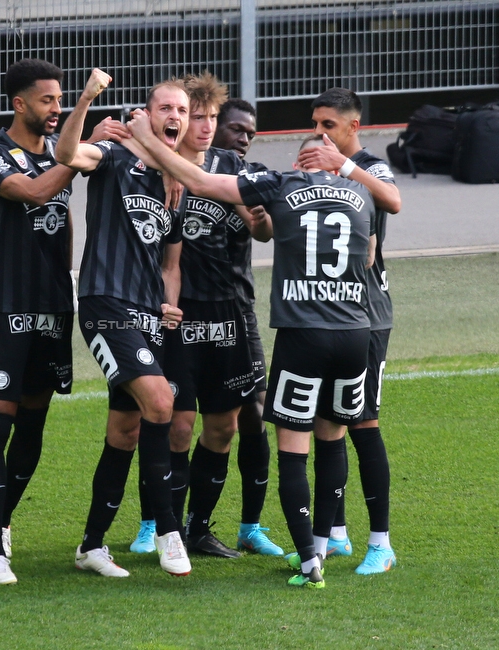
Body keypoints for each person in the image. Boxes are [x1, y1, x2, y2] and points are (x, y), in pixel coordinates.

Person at [128, 114, 376, 589]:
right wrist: (348, 169)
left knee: (291, 448)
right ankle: (333, 542)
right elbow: (372, 244)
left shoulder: (280, 183)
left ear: (301, 159)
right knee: (333, 438)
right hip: (355, 332)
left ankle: (307, 562)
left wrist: (142, 136)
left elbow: (202, 181)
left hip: (301, 333)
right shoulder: (362, 192)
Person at [54, 68, 193, 578]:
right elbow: (68, 155)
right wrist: (87, 101)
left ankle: (92, 546)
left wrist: (168, 304)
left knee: (125, 430)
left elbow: (170, 267)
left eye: (182, 110)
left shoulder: (176, 182)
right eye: (166, 108)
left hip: (146, 316)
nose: (174, 116)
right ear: (146, 116)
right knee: (161, 402)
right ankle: (168, 532)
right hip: (105, 306)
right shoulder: (114, 157)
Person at [0, 59, 77, 585]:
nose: (56, 109)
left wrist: (68, 278)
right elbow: (34, 193)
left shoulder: (60, 152)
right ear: (20, 103)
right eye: (48, 100)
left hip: (54, 307)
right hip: (8, 305)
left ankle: (2, 521)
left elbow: (64, 220)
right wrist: (76, 160)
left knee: (33, 424)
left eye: (61, 101)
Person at [302, 88, 402, 576]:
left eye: (329, 125)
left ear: (353, 126)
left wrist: (341, 166)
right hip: (325, 317)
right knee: (326, 424)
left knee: (363, 425)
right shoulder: (315, 166)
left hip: (368, 319)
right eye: (315, 123)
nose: (319, 133)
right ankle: (333, 533)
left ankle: (381, 544)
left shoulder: (371, 166)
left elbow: (393, 200)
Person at [209, 98, 285, 557]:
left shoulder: (249, 175)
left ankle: (250, 527)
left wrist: (258, 217)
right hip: (184, 312)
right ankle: (154, 522)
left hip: (238, 310)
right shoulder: (180, 169)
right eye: (236, 129)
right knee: (172, 422)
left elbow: (265, 231)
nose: (243, 138)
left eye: (250, 133)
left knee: (253, 415)